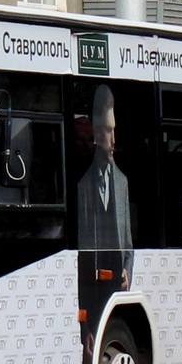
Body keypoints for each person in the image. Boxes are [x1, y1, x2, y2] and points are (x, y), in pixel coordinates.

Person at [76, 84, 133, 290]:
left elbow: (128, 244)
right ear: (97, 134)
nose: (114, 140)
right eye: (109, 131)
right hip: (93, 287)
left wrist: (127, 271)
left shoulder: (122, 182)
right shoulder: (82, 186)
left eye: (114, 130)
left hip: (117, 285)